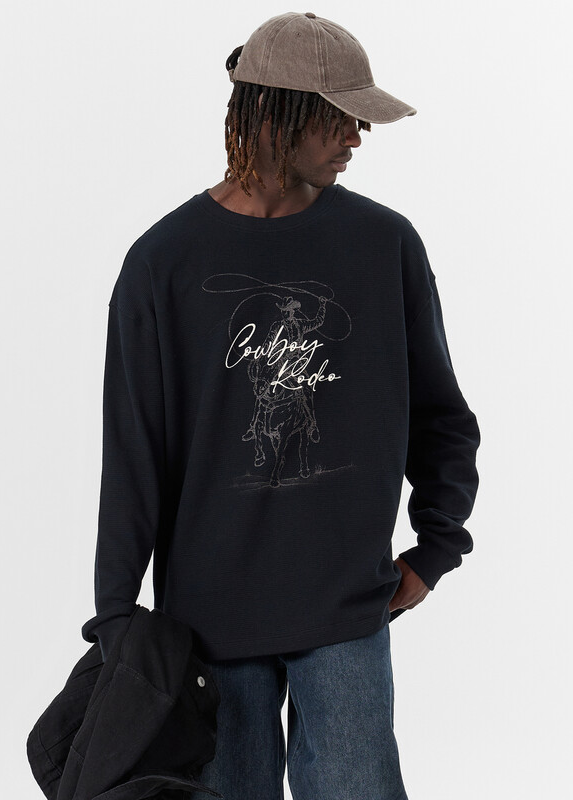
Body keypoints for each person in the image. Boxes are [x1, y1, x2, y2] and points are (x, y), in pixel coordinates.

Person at [81, 12, 481, 800]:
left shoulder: (384, 244)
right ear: (272, 113)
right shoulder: (164, 263)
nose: (358, 138)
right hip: (206, 626)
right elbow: (132, 450)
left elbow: (441, 413)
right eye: (339, 118)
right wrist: (117, 616)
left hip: (346, 609)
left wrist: (437, 546)